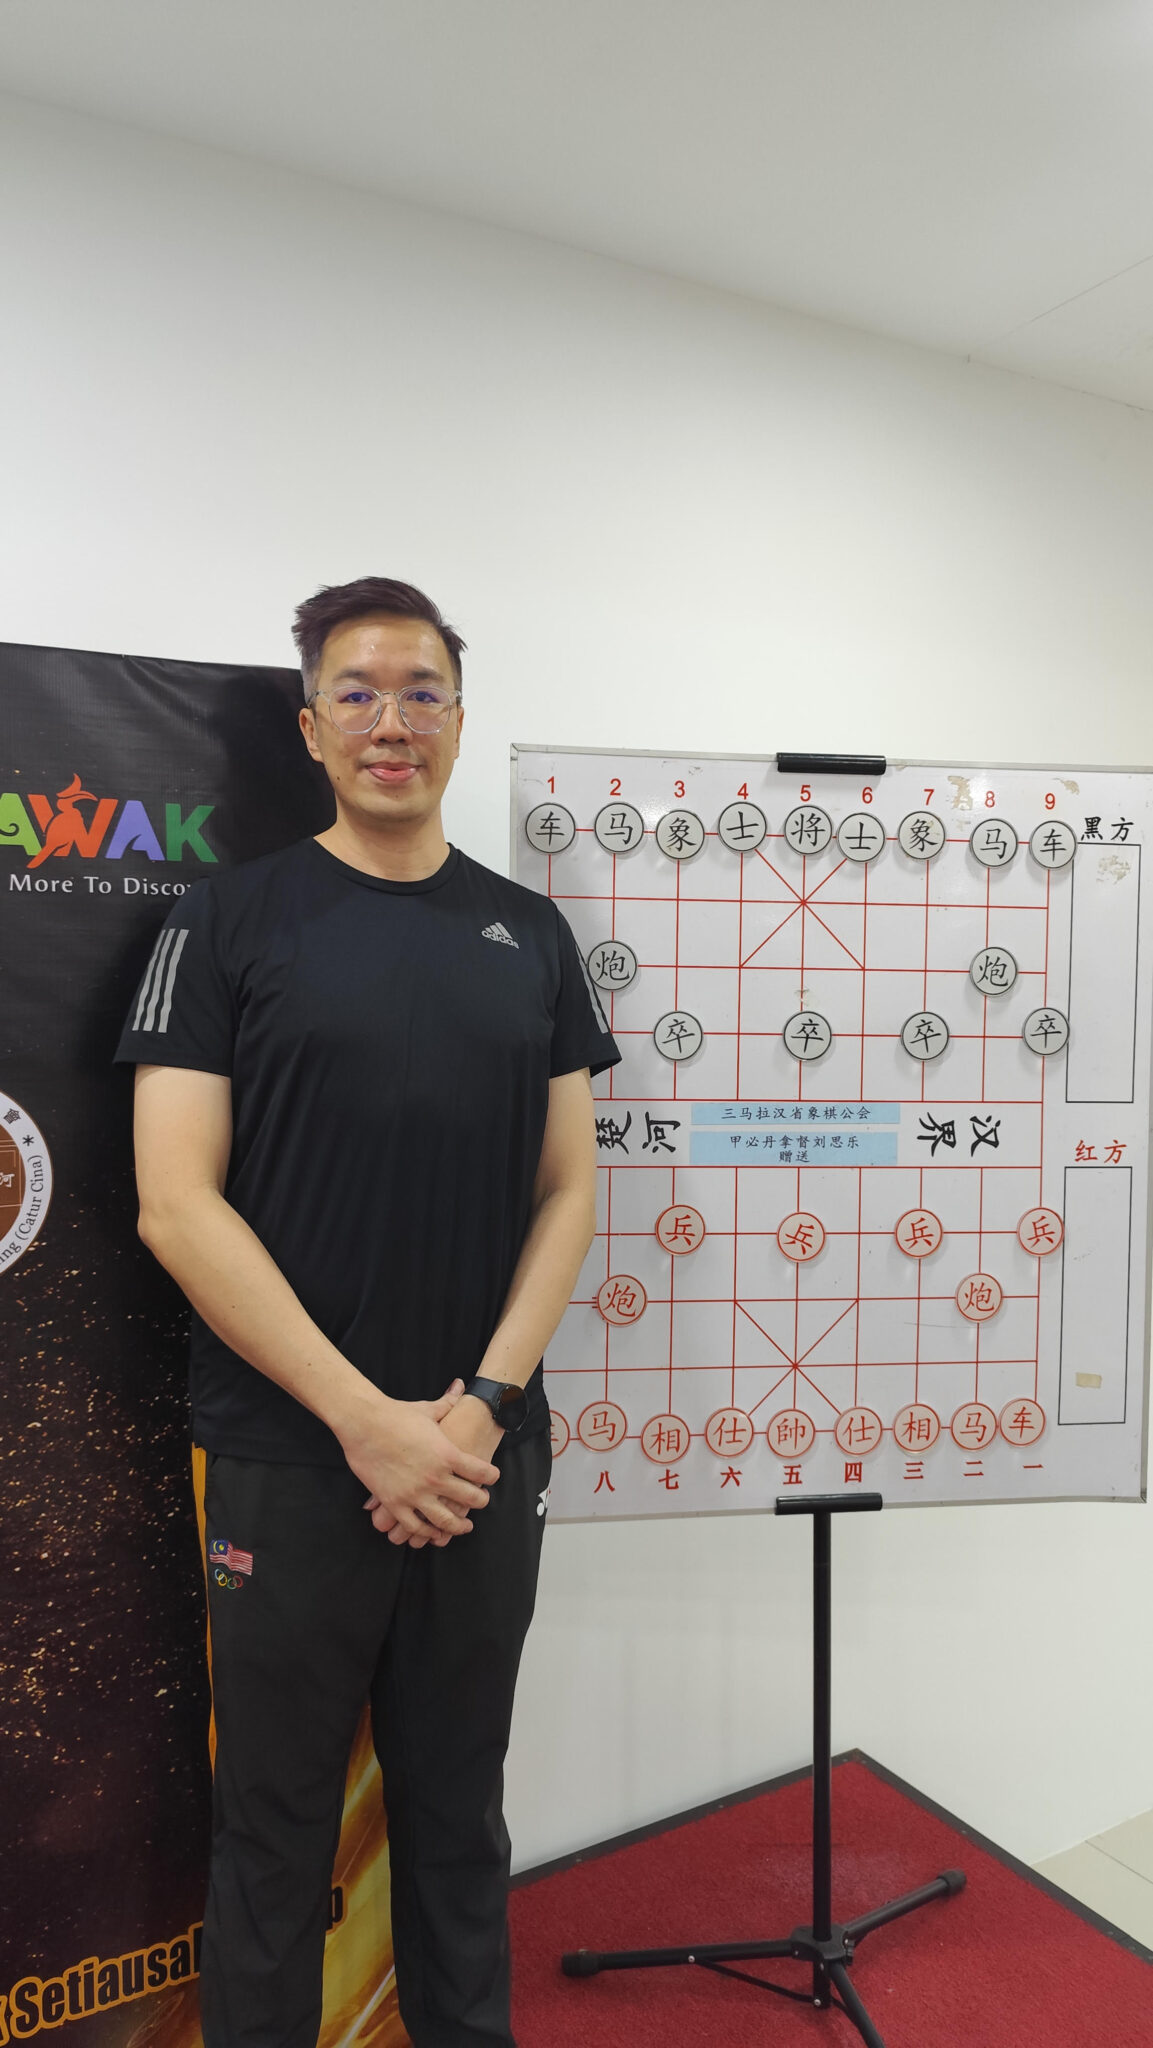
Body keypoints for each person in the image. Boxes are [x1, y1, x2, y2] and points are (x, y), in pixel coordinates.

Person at [115, 576, 619, 2048]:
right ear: (310, 727)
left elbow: (568, 1193)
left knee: (458, 1816)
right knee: (273, 1833)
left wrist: (480, 1410)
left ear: (458, 720)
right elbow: (174, 1205)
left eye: (420, 692)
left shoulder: (529, 933)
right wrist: (366, 1424)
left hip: (479, 1457)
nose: (390, 720)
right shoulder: (224, 919)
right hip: (286, 1453)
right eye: (357, 692)